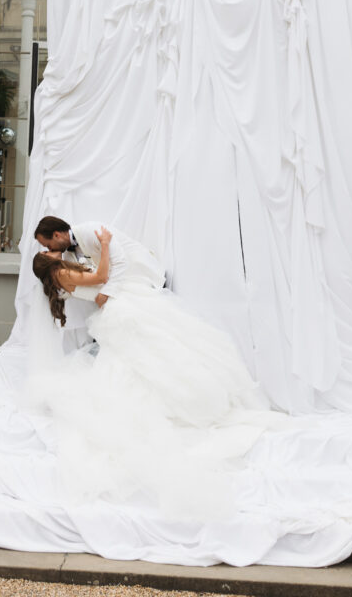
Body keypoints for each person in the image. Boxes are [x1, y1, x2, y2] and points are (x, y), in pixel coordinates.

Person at [30, 217, 278, 518]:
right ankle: (174, 404)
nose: (46, 250)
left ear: (55, 236)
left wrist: (106, 263)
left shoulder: (67, 260)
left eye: (45, 246)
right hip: (115, 308)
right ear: (46, 264)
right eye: (44, 252)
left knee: (146, 355)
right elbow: (100, 276)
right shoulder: (63, 272)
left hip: (116, 307)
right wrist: (106, 246)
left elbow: (103, 275)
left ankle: (168, 400)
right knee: (146, 356)